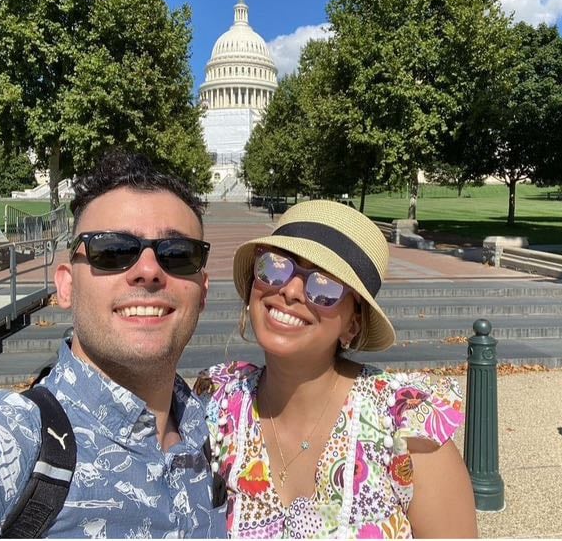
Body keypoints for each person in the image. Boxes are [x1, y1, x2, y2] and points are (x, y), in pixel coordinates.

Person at [0, 150, 227, 538]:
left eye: (177, 254)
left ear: (203, 292)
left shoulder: (218, 433)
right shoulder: (12, 440)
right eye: (112, 250)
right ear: (66, 286)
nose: (148, 271)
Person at [195, 200, 478, 538]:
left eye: (325, 284)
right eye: (276, 266)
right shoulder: (219, 404)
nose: (291, 290)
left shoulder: (406, 428)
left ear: (353, 325)